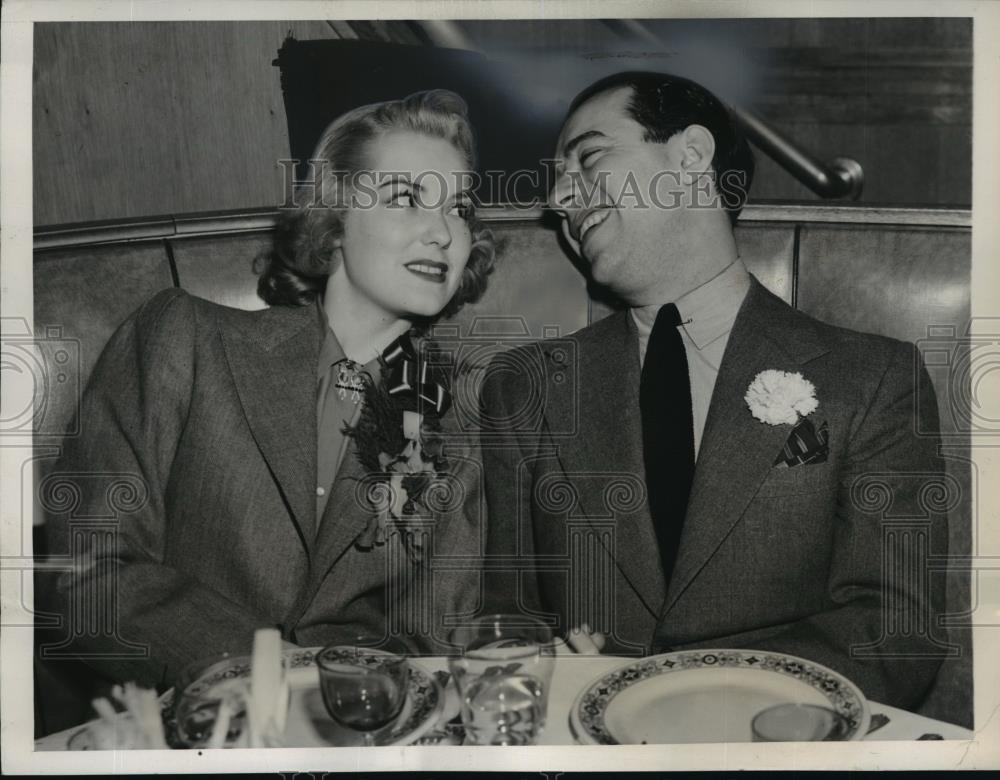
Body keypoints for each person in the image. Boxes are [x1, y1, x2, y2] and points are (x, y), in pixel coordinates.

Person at [479, 71, 948, 711]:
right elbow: (505, 614)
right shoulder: (523, 388)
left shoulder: (873, 379)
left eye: (588, 157)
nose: (559, 196)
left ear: (691, 157)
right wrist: (547, 673)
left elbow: (895, 628)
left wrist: (695, 695)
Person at [40, 89, 496, 691]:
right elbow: (88, 573)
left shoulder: (454, 421)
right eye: (405, 197)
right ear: (333, 225)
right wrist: (266, 673)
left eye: (458, 208)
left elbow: (434, 644)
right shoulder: (185, 337)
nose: (442, 232)